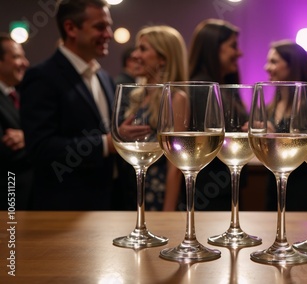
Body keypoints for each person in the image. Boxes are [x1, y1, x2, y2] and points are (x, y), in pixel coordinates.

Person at [19, 0, 117, 210]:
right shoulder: (42, 77)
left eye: (108, 26)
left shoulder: (104, 77)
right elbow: (40, 149)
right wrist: (105, 144)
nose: (109, 34)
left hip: (107, 205)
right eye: (100, 27)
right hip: (63, 209)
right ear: (71, 28)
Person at [183, 18, 243, 211]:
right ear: (213, 48)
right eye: (233, 46)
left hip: (221, 186)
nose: (239, 53)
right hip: (209, 190)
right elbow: (207, 141)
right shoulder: (202, 88)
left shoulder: (220, 86)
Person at [129, 25, 189, 211]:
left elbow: (175, 163)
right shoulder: (137, 96)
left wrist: (167, 212)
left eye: (143, 49)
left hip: (158, 192)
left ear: (163, 59)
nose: (135, 55)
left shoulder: (176, 98)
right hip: (132, 188)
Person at [263, 39, 307, 211]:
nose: (267, 67)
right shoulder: (271, 106)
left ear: (292, 65)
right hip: (274, 184)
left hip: (302, 188)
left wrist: (277, 138)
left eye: (273, 61)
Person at [0, 34, 32, 210]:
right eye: (17, 56)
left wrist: (27, 137)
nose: (25, 63)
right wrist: (38, 140)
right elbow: (5, 152)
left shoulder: (17, 95)